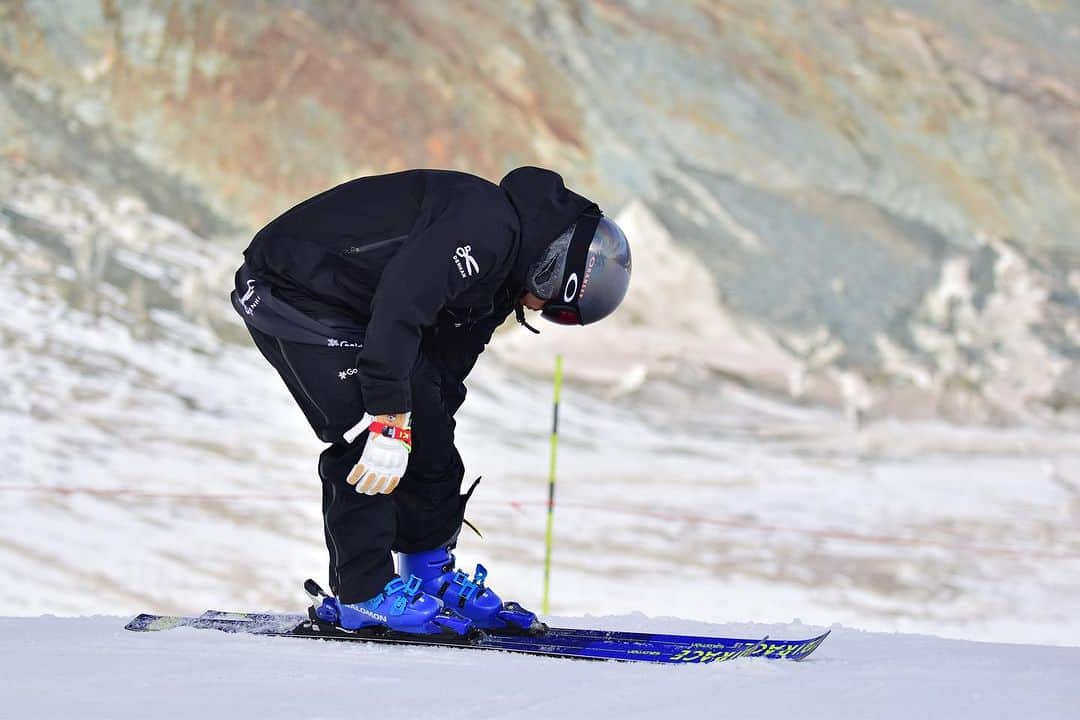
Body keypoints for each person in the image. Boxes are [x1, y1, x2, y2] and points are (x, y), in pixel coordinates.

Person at [230, 166, 631, 636]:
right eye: (552, 301)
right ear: (552, 266)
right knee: (369, 438)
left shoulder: (504, 278)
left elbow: (444, 370)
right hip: (291, 290)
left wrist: (425, 431)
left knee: (430, 427)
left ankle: (427, 573)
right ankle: (363, 594)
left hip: (357, 307)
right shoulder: (486, 228)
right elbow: (401, 307)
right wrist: (389, 420)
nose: (541, 309)